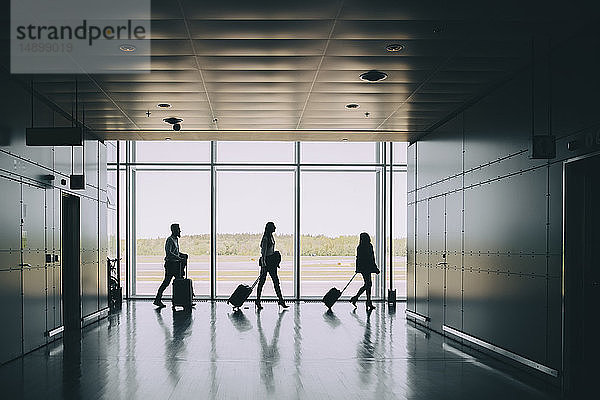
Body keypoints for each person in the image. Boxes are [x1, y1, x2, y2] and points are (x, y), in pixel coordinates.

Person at [255, 221, 288, 310]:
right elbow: (263, 253)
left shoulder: (271, 237)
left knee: (275, 282)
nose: (275, 228)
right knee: (263, 282)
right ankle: (258, 300)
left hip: (271, 262)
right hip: (266, 262)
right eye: (274, 227)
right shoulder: (266, 238)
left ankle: (281, 300)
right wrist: (264, 264)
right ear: (270, 228)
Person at [153, 223, 188, 308]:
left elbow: (175, 252)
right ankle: (159, 299)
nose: (180, 231)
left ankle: (180, 301)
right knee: (167, 282)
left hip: (176, 265)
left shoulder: (176, 239)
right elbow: (169, 253)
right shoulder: (170, 240)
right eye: (178, 229)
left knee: (178, 283)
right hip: (171, 265)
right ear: (173, 230)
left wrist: (182, 255)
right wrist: (180, 258)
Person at [350, 232, 380, 312]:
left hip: (363, 268)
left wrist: (358, 268)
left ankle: (366, 301)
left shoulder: (359, 247)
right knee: (368, 284)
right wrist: (375, 268)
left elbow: (358, 259)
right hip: (368, 268)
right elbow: (371, 258)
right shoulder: (369, 246)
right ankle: (359, 299)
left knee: (368, 285)